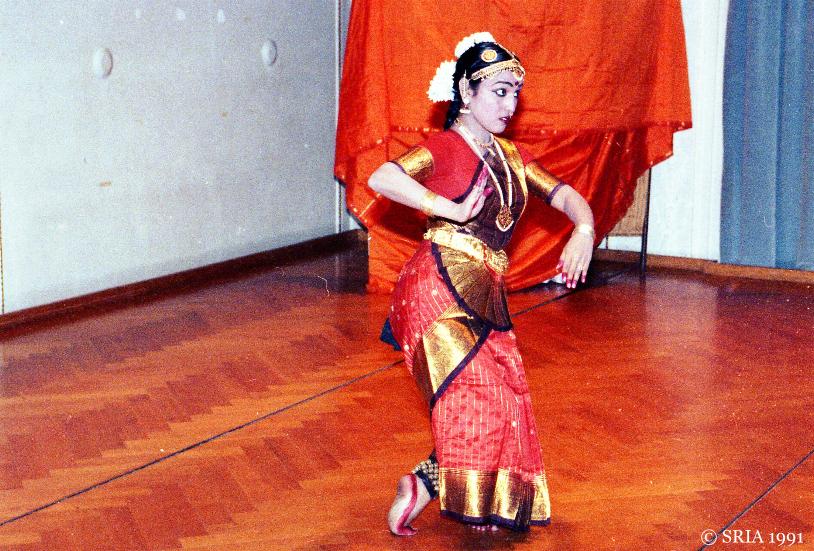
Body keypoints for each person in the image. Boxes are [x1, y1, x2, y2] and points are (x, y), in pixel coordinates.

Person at [368, 32, 595, 535]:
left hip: (486, 291)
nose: (510, 104)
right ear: (466, 94)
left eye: (515, 93)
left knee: (503, 397)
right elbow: (382, 178)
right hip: (435, 288)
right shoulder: (445, 147)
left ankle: (427, 485)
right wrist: (445, 208)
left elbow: (565, 196)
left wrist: (584, 229)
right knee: (478, 393)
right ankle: (461, 497)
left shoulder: (513, 157)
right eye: (499, 91)